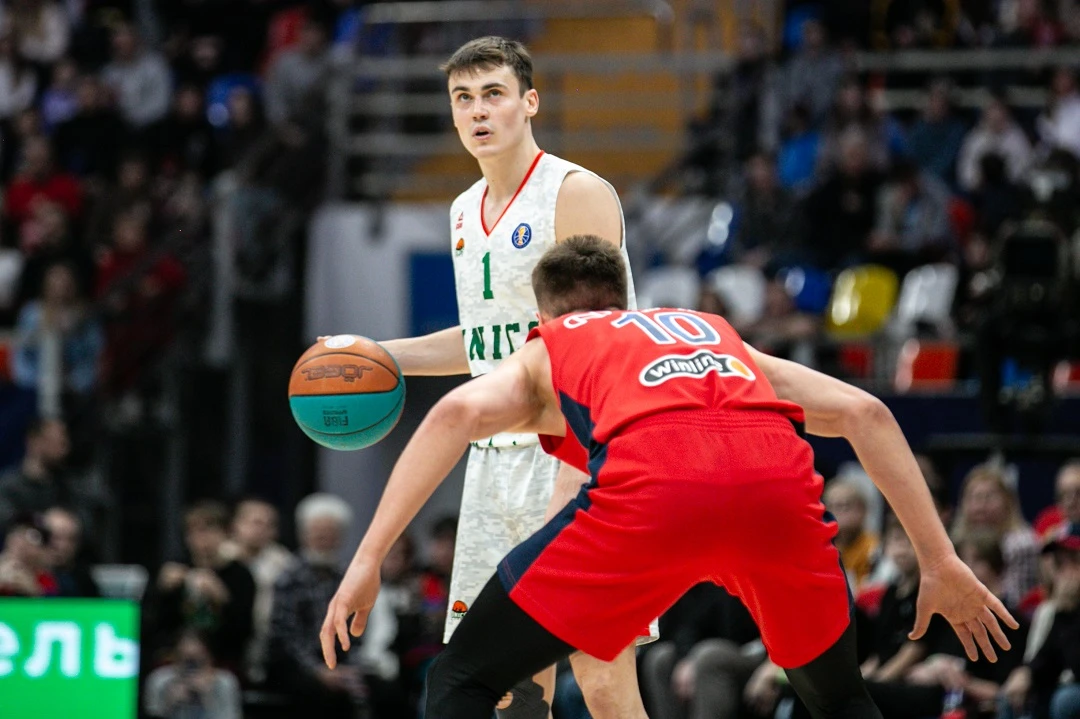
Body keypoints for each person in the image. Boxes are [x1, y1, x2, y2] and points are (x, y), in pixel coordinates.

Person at [322, 236, 1018, 719]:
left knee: (460, 678)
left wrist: (367, 559)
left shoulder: (555, 343)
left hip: (654, 497)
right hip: (777, 496)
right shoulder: (712, 331)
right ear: (624, 302)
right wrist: (939, 557)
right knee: (839, 700)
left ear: (543, 315)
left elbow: (454, 414)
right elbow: (867, 412)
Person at [341, 35, 643, 719]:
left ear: (529, 102)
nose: (478, 111)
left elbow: (602, 342)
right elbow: (484, 343)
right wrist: (379, 355)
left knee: (602, 679)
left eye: (493, 94)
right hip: (492, 466)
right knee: (508, 693)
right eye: (463, 98)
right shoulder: (460, 210)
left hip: (575, 452)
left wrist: (576, 471)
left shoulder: (576, 191)